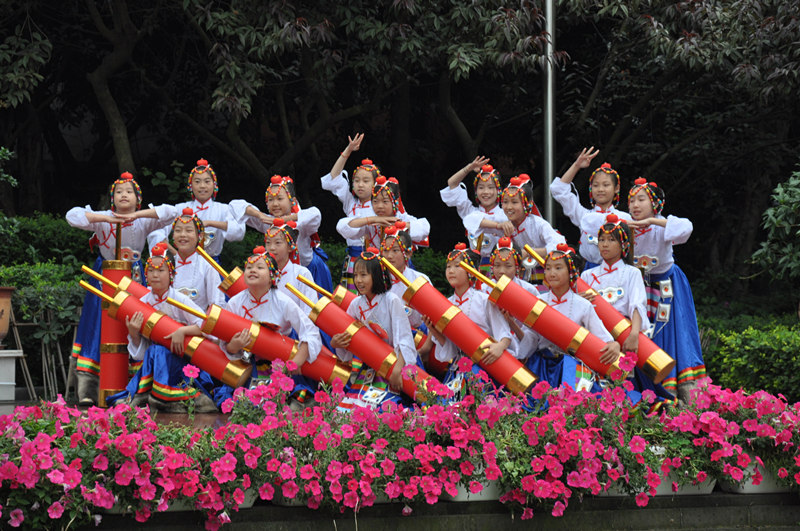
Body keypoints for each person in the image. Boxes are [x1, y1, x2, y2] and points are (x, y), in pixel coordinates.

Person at [66, 172, 177, 406]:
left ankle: (136, 386)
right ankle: (89, 389)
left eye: (130, 192)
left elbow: (172, 212)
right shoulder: (103, 216)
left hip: (134, 275)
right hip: (104, 276)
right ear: (112, 198)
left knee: (135, 324)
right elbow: (72, 216)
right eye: (119, 192)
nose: (124, 195)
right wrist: (106, 219)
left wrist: (138, 214)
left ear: (138, 198)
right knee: (98, 327)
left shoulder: (143, 219)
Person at [107, 243, 219, 412]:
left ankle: (156, 396)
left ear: (171, 274)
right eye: (151, 271)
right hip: (154, 360)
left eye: (161, 271)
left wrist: (183, 331)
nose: (155, 275)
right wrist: (134, 333)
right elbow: (140, 352)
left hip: (181, 359)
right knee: (155, 351)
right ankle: (153, 396)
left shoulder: (180, 299)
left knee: (157, 352)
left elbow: (206, 326)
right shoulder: (143, 303)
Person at [627, 178, 705, 402]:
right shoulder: (626, 224)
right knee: (640, 335)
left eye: (641, 199)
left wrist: (653, 221)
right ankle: (644, 390)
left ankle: (675, 391)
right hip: (639, 288)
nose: (635, 205)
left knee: (670, 333)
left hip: (666, 287)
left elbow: (686, 228)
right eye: (631, 200)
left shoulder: (663, 224)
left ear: (655, 204)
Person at [219, 246, 322, 409]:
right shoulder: (235, 302)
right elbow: (223, 341)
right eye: (249, 267)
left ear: (273, 276)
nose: (253, 270)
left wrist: (296, 362)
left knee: (288, 397)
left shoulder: (283, 301)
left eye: (260, 267)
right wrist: (234, 346)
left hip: (280, 361)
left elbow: (309, 331)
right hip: (247, 360)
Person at [329, 248, 418, 410]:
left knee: (380, 409)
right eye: (355, 275)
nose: (358, 280)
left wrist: (397, 369)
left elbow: (404, 337)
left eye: (363, 275)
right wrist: (337, 343)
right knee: (345, 411)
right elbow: (348, 343)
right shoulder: (356, 304)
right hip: (369, 367)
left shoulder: (392, 300)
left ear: (376, 275)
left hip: (395, 364)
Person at [422, 243, 514, 399]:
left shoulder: (485, 300)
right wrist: (434, 332)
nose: (451, 270)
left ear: (471, 272)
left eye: (457, 266)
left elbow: (504, 333)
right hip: (458, 368)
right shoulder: (445, 304)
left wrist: (501, 345)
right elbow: (449, 351)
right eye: (448, 266)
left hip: (484, 368)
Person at [526, 244, 620, 392]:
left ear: (571, 272)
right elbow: (530, 338)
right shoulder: (538, 302)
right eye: (548, 268)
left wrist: (614, 344)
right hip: (542, 365)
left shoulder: (583, 305)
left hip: (571, 365)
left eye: (558, 268)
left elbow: (603, 337)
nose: (552, 273)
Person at [232, 175, 334, 293]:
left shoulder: (300, 221)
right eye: (270, 200)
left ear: (292, 201)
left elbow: (315, 214)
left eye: (280, 199)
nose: (275, 204)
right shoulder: (268, 222)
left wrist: (286, 220)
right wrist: (260, 215)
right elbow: (235, 205)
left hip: (310, 271)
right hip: (282, 273)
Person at [467, 174, 564, 282]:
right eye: (505, 202)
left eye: (514, 202)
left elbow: (559, 245)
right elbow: (470, 220)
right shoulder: (503, 221)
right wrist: (498, 226)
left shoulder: (538, 224)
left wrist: (528, 252)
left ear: (526, 204)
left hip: (542, 276)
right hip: (515, 278)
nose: (509, 207)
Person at [148, 159, 245, 262]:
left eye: (207, 181)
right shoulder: (179, 209)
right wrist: (175, 254)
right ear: (190, 186)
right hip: (184, 263)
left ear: (214, 185)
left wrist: (210, 223)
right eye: (197, 181)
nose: (202, 186)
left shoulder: (224, 209)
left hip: (213, 265)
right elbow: (156, 231)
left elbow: (239, 232)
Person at [550, 148, 632, 269]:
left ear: (616, 188)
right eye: (596, 185)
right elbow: (558, 189)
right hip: (589, 272)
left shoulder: (625, 218)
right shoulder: (583, 216)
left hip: (620, 270)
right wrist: (577, 165)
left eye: (606, 185)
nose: (600, 189)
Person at [579, 214, 648, 356]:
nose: (604, 244)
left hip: (624, 333)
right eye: (601, 240)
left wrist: (634, 334)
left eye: (611, 240)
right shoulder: (587, 275)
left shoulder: (632, 272)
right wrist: (579, 301)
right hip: (594, 335)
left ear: (623, 244)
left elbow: (637, 304)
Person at [320, 133, 377, 291]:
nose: (360, 185)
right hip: (353, 259)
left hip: (375, 259)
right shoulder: (350, 202)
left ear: (375, 184)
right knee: (352, 303)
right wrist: (348, 150)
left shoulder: (381, 206)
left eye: (366, 181)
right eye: (357, 181)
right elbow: (333, 177)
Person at [336, 175, 431, 257]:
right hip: (376, 269)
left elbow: (424, 229)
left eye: (385, 201)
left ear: (395, 202)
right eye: (375, 201)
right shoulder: (372, 222)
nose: (380, 206)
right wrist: (372, 219)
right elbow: (341, 227)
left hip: (399, 271)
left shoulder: (402, 217)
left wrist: (399, 225)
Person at [440, 157, 508, 266]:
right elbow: (452, 184)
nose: (486, 192)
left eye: (491, 187)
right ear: (476, 191)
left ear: (498, 191)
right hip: (473, 267)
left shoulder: (506, 215)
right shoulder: (469, 212)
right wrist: (469, 168)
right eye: (481, 188)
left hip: (499, 267)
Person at [170, 208, 226, 311]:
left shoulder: (208, 266)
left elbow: (217, 305)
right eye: (178, 230)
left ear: (200, 236)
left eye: (189, 230)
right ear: (173, 236)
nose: (182, 235)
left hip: (198, 325)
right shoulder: (166, 265)